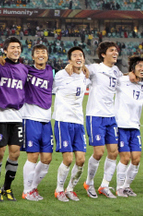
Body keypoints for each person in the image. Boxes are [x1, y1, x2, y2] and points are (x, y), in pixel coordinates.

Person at [0, 36, 27, 202]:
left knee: (15, 153)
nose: (16, 50)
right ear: (5, 50)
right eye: (12, 47)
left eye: (18, 47)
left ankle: (7, 187)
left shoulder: (25, 69)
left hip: (17, 116)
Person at [83, 41, 123, 199]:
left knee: (114, 152)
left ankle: (105, 185)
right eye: (112, 50)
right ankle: (89, 182)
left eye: (116, 51)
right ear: (103, 54)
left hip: (110, 117)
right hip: (95, 116)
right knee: (98, 153)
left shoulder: (116, 71)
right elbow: (82, 71)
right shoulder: (95, 68)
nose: (115, 53)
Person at [52, 47, 89, 202]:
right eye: (74, 56)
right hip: (63, 120)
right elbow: (52, 89)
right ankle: (59, 189)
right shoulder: (61, 75)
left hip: (78, 122)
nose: (78, 57)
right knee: (68, 159)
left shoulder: (86, 76)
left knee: (80, 160)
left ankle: (70, 189)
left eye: (80, 55)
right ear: (69, 60)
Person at [19, 44, 54, 201]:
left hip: (46, 119)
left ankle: (33, 187)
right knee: (32, 156)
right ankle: (27, 191)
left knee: (47, 158)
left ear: (47, 55)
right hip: (31, 118)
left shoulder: (51, 71)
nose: (41, 55)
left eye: (43, 52)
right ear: (32, 57)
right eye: (37, 53)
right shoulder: (26, 70)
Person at [115, 56, 143, 197]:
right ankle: (119, 188)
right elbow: (112, 78)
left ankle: (127, 186)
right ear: (133, 68)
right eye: (139, 66)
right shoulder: (122, 81)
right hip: (121, 125)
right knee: (125, 158)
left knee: (136, 158)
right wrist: (126, 74)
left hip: (135, 126)